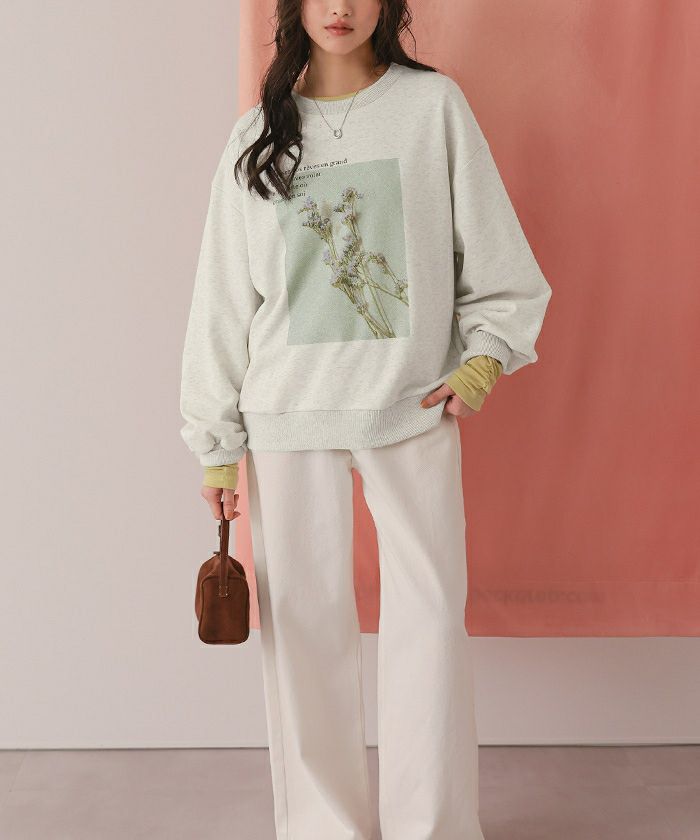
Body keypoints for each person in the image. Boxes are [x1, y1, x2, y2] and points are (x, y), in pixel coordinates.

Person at [179, 1, 552, 837]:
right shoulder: (255, 136)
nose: (340, 7)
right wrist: (216, 448)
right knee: (305, 636)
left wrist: (483, 362)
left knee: (431, 626)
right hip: (287, 415)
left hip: (410, 409)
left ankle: (433, 827)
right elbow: (221, 301)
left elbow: (497, 257)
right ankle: (323, 828)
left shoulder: (431, 109)